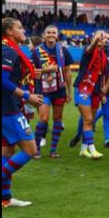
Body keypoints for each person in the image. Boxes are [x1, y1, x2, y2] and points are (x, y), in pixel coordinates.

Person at [1, 18, 43, 208]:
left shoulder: (9, 49)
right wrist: (27, 95)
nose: (24, 30)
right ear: (10, 32)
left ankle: (5, 198)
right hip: (8, 109)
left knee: (7, 152)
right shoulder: (8, 51)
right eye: (19, 28)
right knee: (31, 150)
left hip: (7, 107)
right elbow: (2, 80)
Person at [32, 25, 75, 159]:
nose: (51, 34)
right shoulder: (37, 51)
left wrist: (69, 91)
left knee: (57, 119)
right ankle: (36, 148)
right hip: (43, 90)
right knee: (43, 118)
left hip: (60, 89)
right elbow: (32, 71)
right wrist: (47, 70)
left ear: (57, 35)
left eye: (54, 32)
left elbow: (68, 72)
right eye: (48, 32)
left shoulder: (63, 50)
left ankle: (53, 150)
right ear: (44, 35)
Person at [72, 29, 109, 159]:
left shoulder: (104, 55)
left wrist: (103, 92)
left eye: (105, 38)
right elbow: (89, 49)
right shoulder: (88, 50)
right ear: (94, 37)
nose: (103, 39)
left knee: (89, 120)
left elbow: (104, 75)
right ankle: (92, 149)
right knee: (88, 119)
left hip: (95, 90)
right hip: (83, 87)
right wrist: (95, 41)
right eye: (100, 36)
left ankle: (83, 149)